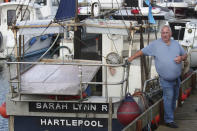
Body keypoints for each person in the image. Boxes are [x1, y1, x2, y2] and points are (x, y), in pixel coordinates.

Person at [127, 25, 187, 128]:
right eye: (163, 33)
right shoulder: (155, 45)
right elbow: (142, 51)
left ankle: (170, 115)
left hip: (176, 79)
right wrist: (132, 57)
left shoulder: (176, 44)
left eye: (166, 33)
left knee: (174, 98)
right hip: (165, 79)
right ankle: (169, 120)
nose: (164, 35)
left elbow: (185, 55)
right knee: (169, 97)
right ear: (161, 34)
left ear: (170, 34)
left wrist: (181, 58)